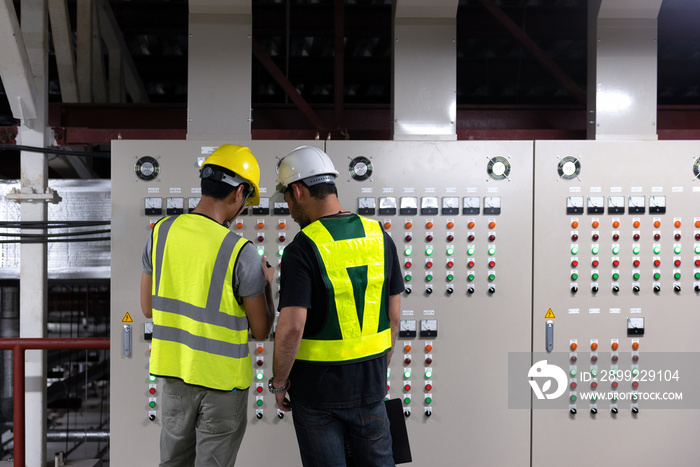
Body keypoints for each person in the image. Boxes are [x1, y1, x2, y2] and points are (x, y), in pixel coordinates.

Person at [140, 144, 275, 467]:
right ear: (239, 192)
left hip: (175, 378)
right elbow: (260, 329)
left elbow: (147, 308)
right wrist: (269, 286)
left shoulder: (161, 233)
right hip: (222, 388)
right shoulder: (240, 252)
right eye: (246, 200)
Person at [269, 145, 403, 467]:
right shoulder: (379, 237)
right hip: (370, 388)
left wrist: (279, 382)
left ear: (298, 191)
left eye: (287, 199)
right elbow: (394, 316)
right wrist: (377, 370)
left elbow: (291, 328)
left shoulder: (302, 248)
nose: (288, 209)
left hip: (316, 397)